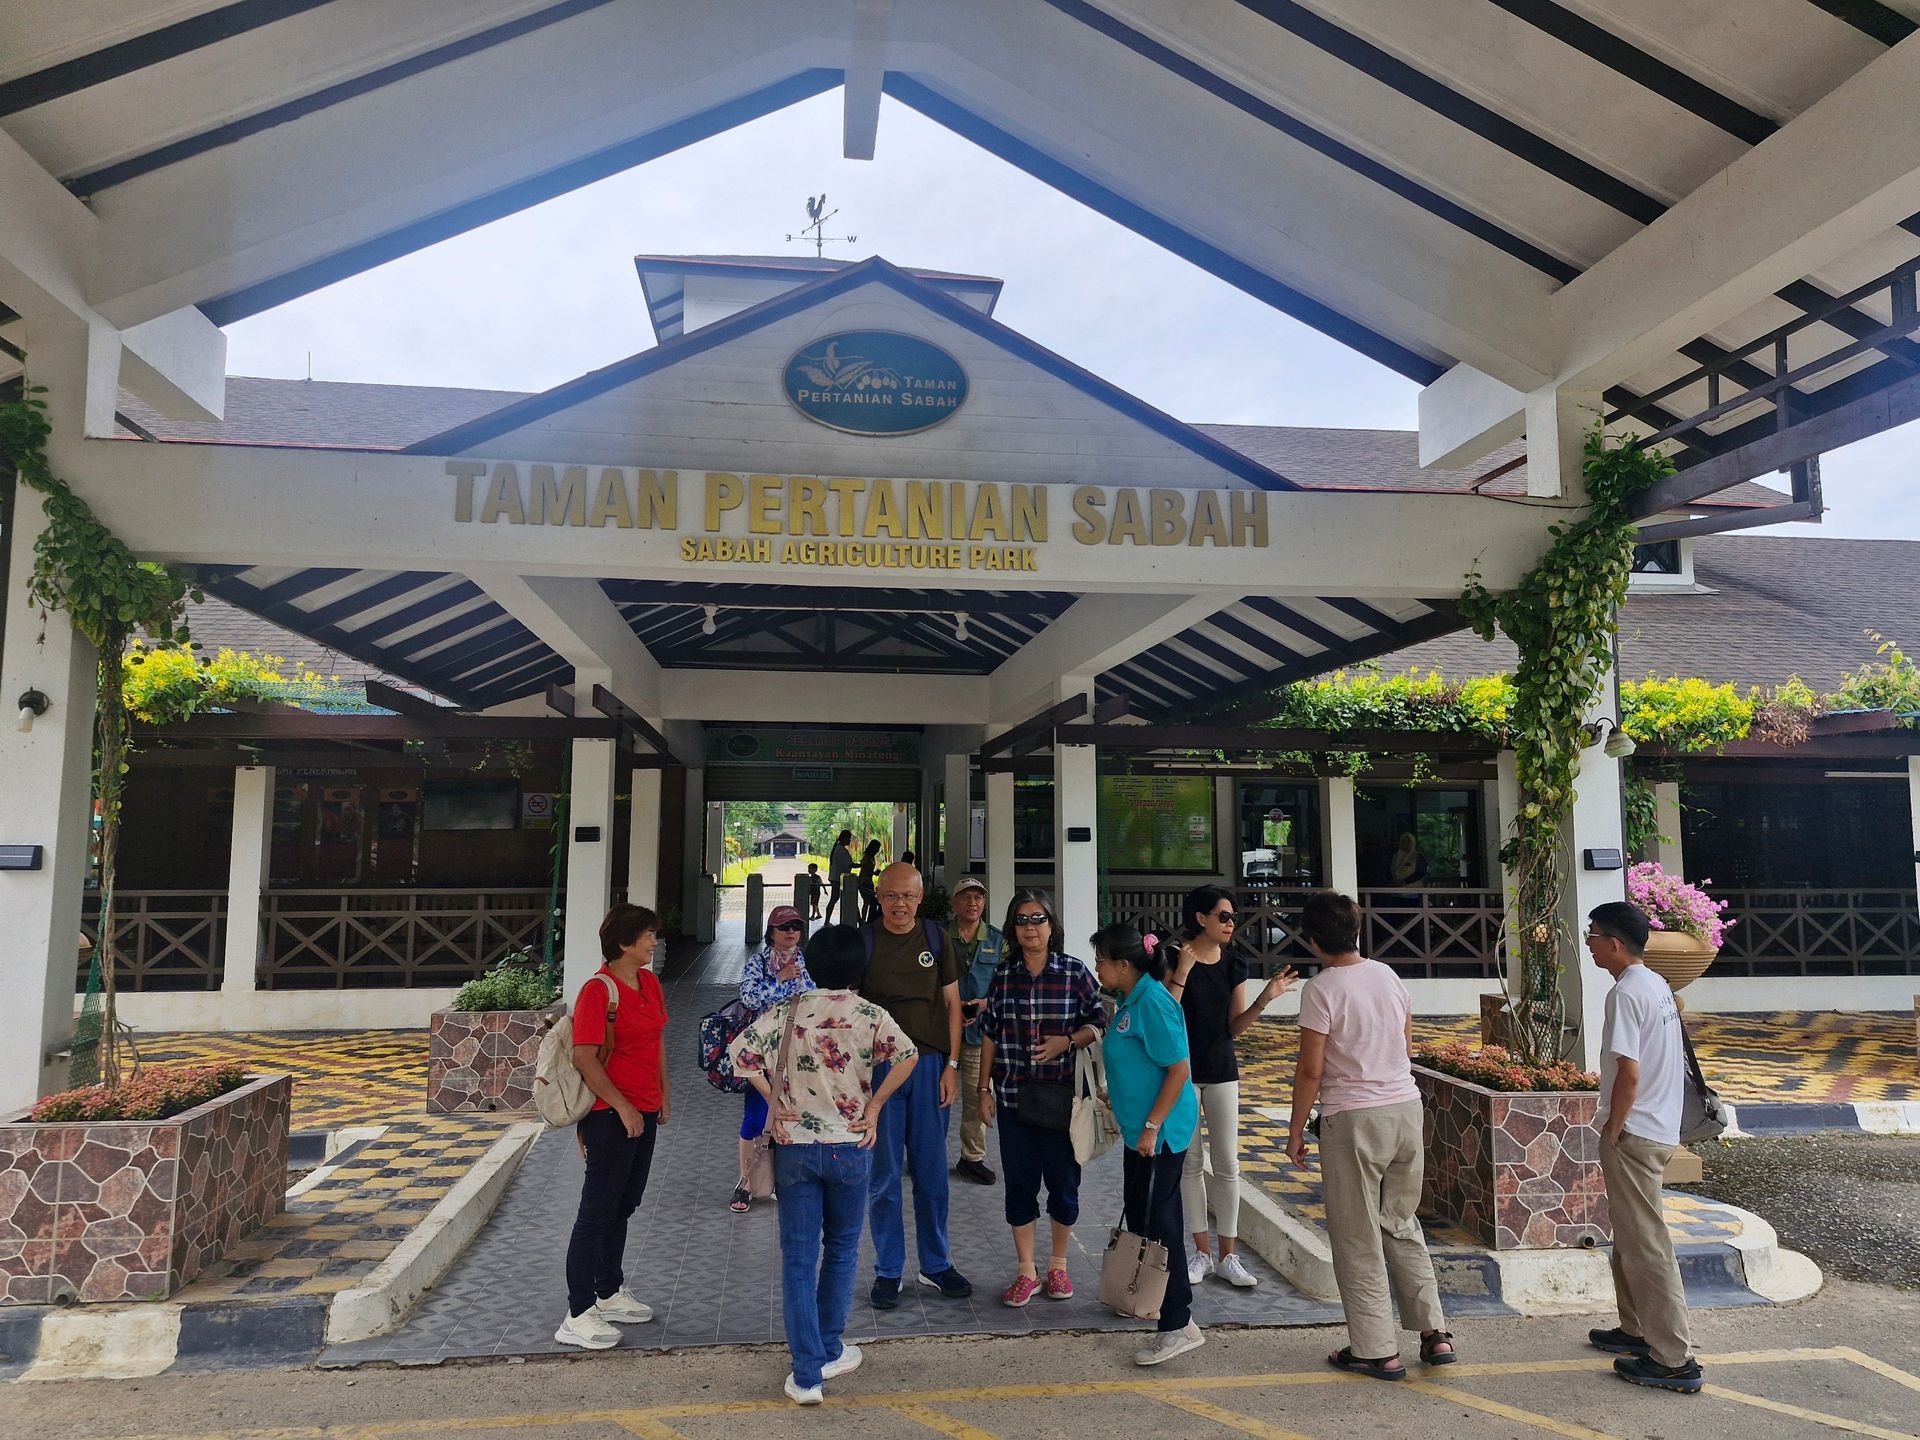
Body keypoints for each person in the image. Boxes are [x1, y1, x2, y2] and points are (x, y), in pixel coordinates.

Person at [729, 924, 919, 1405]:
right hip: (852, 1148)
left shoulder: (789, 1011)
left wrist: (775, 1099)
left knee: (798, 1257)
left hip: (795, 1147)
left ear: (811, 963)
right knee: (841, 1251)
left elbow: (741, 1055)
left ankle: (807, 1374)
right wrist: (873, 1108)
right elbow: (908, 1055)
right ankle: (830, 1348)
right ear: (861, 967)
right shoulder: (871, 1014)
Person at [1285, 890, 1453, 1381]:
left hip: (1353, 1118)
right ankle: (1434, 1333)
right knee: (1400, 1222)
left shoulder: (1320, 990)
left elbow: (1310, 1070)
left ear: (1312, 940)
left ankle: (1376, 1349)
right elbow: (1404, 1042)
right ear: (1355, 931)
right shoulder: (1387, 975)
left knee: (1356, 1234)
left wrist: (1296, 1131)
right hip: (1404, 1108)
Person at [1585, 900, 1702, 1394]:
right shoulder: (1655, 984)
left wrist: (1613, 1127)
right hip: (1655, 1127)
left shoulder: (1627, 994)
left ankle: (1674, 1358)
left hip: (1635, 1133)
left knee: (1647, 1244)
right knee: (1631, 1236)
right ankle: (1634, 1329)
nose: (1587, 942)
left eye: (1592, 934)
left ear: (1614, 944)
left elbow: (1628, 1072)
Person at [978, 889, 1105, 1305]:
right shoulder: (1004, 974)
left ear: (1052, 925)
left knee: (1064, 1187)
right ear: (1013, 929)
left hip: (1061, 1101)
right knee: (1019, 1187)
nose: (1030, 928)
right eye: (1022, 920)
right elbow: (991, 1036)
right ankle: (1026, 1270)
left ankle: (1058, 1267)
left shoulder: (1074, 972)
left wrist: (1066, 1042)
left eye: (1038, 919)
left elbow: (1099, 1021)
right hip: (1014, 1099)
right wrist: (983, 1089)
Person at [1166, 884, 1297, 1288]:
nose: (1230, 923)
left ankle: (1228, 1256)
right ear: (1199, 918)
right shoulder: (1173, 958)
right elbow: (1166, 1015)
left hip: (1222, 1071)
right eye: (1223, 916)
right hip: (1181, 1074)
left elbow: (1234, 1027)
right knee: (1189, 1165)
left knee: (1227, 1164)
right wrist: (1183, 973)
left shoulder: (1234, 963)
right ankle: (1201, 1253)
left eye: (1233, 917)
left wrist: (1265, 999)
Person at [555, 903, 670, 1351]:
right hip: (610, 1114)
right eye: (647, 935)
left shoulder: (650, 983)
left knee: (624, 1204)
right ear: (624, 943)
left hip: (643, 1108)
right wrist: (622, 1107)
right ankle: (578, 1311)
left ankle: (608, 1290)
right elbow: (584, 1056)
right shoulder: (597, 991)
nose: (653, 942)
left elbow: (657, 1039)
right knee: (596, 1212)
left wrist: (663, 1094)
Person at [857, 861, 972, 1306]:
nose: (899, 903)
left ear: (920, 897)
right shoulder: (865, 941)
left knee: (931, 1175)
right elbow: (850, 1011)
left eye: (908, 895)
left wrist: (953, 1067)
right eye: (891, 895)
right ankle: (888, 1270)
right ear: (879, 898)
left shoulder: (934, 938)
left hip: (928, 1067)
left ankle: (936, 1264)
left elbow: (953, 1006)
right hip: (880, 1073)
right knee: (883, 1176)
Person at [1090, 921, 1204, 1367]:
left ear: (1123, 964)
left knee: (1161, 1223)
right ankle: (1154, 1299)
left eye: (1102, 960)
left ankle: (1177, 1324)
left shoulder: (1152, 1002)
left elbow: (1178, 1069)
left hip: (1159, 1135)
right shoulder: (1129, 999)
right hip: (1141, 1134)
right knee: (1143, 1216)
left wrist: (1153, 1124)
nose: (1096, 967)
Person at [732, 904, 814, 1212]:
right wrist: (779, 979)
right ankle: (745, 1182)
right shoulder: (758, 963)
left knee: (794, 1112)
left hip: (798, 1049)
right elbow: (749, 999)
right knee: (756, 1116)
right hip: (763, 1051)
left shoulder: (808, 962)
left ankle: (788, 1181)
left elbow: (814, 999)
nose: (792, 931)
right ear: (772, 932)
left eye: (796, 926)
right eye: (785, 927)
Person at [950, 876, 1005, 1185]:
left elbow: (1009, 982)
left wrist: (985, 1003)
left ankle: (972, 1158)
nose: (973, 903)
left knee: (976, 1095)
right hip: (941, 1032)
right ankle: (922, 1156)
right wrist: (951, 1008)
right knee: (933, 1098)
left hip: (979, 1033)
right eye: (966, 897)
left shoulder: (998, 940)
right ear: (955, 903)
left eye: (978, 898)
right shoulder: (940, 937)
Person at [824, 830, 854, 924]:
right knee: (836, 899)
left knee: (835, 899)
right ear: (844, 838)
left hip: (836, 877)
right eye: (849, 839)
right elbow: (848, 865)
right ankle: (827, 920)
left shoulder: (838, 848)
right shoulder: (841, 850)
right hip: (838, 879)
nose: (849, 841)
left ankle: (827, 920)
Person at [855, 838, 883, 923]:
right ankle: (863, 920)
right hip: (864, 881)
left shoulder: (871, 857)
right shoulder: (867, 857)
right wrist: (874, 873)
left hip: (869, 881)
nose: (878, 850)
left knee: (867, 902)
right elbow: (865, 870)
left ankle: (864, 919)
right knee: (867, 901)